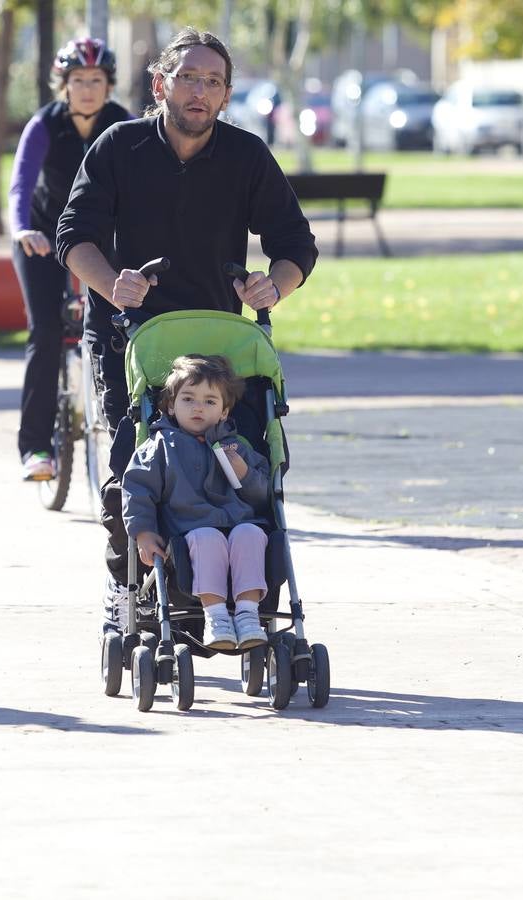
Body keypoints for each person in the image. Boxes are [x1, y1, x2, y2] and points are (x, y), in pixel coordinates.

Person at [54, 28, 317, 602]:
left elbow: (296, 242)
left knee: (235, 463)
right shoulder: (119, 146)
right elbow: (73, 235)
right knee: (135, 465)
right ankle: (128, 580)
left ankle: (241, 590)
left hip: (213, 340)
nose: (200, 91)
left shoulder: (246, 154)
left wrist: (274, 285)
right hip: (129, 334)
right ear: (160, 85)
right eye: (188, 78)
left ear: (226, 96)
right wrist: (110, 284)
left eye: (213, 82)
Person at [8, 37, 132, 481]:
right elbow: (21, 185)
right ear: (64, 85)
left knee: (121, 328)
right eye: (78, 80)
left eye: (96, 80)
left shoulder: (122, 125)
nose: (86, 88)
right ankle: (36, 447)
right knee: (45, 332)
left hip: (95, 243)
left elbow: (144, 186)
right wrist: (22, 229)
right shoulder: (45, 124)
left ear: (109, 85)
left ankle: (128, 438)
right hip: (40, 240)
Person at [122, 355, 271, 650]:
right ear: (170, 406)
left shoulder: (237, 447)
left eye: (210, 402)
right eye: (188, 399)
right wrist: (143, 532)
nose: (198, 407)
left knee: (253, 534)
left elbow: (264, 496)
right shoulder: (161, 447)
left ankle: (248, 615)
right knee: (207, 538)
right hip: (188, 533)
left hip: (239, 524)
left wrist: (244, 472)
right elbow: (138, 490)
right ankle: (216, 617)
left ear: (225, 412)